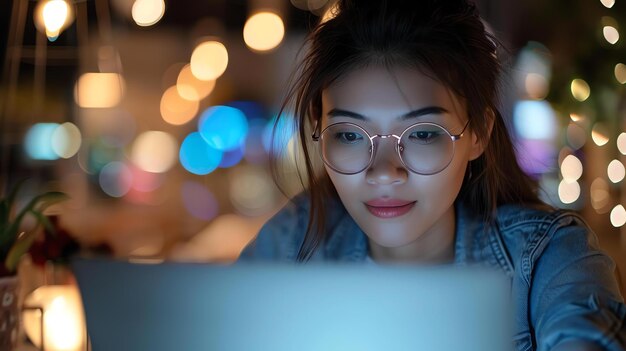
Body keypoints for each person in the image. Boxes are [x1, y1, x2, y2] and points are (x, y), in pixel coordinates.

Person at [238, 0, 626, 350]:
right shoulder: (292, 242)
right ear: (318, 132)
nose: (385, 173)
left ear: (478, 134)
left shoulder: (546, 257)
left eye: (423, 133)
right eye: (350, 135)